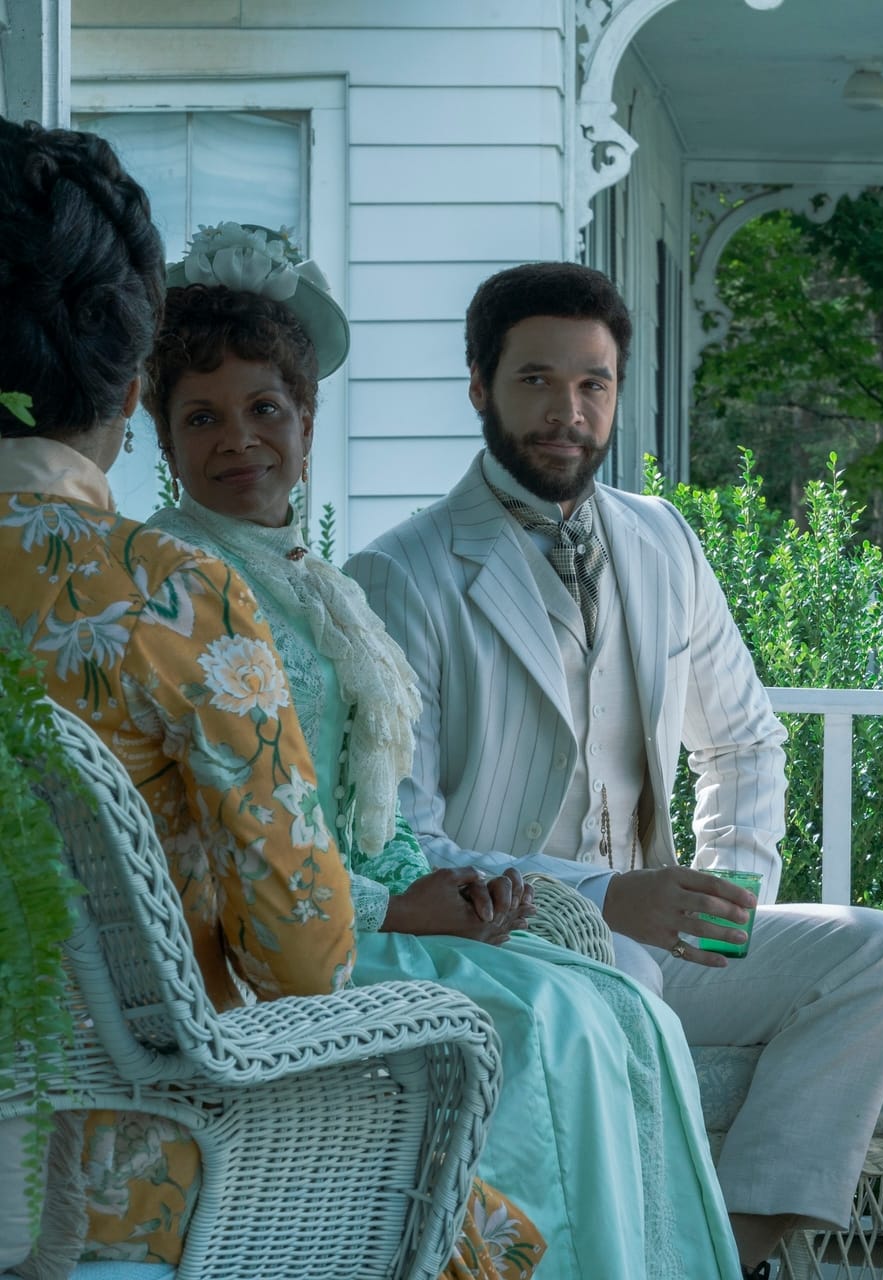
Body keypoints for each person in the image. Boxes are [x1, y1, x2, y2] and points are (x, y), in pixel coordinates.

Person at [0, 119, 542, 1279]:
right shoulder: (169, 596)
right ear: (131, 375)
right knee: (499, 1235)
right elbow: (305, 957)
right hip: (140, 1162)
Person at [142, 229, 740, 1279]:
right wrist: (396, 905)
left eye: (264, 409)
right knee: (556, 1011)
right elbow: (216, 834)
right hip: (273, 946)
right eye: (202, 417)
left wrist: (444, 887)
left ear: (308, 417)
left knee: (621, 1003)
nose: (239, 440)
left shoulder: (305, 577)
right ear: (162, 435)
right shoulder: (181, 584)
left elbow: (373, 804)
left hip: (369, 903)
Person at [345, 261, 883, 1273]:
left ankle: (736, 1245)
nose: (566, 412)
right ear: (479, 385)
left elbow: (744, 735)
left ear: (617, 390)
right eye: (535, 380)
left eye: (593, 384)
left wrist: (730, 890)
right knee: (617, 971)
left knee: (881, 951)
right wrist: (611, 899)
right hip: (516, 940)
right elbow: (408, 836)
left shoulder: (662, 537)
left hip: (656, 927)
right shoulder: (401, 573)